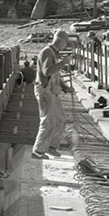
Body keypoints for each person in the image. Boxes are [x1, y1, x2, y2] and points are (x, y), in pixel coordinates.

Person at [32, 30, 72, 159]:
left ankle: (51, 146)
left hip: (52, 91)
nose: (65, 47)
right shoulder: (47, 52)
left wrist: (65, 87)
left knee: (60, 119)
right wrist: (63, 63)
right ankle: (38, 150)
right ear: (60, 41)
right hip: (44, 90)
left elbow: (55, 75)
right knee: (47, 121)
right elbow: (47, 71)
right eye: (65, 44)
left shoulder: (54, 54)